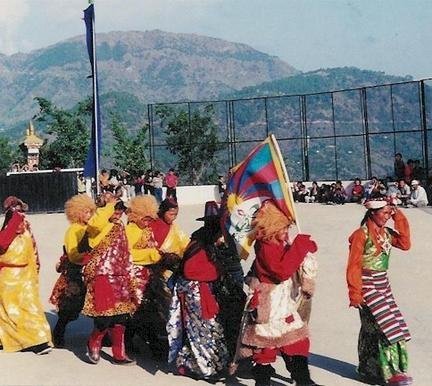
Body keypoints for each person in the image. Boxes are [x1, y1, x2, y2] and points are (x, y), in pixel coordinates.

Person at [237, 201, 319, 386]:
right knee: (266, 344)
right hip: (271, 302)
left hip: (283, 301)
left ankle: (303, 380)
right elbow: (281, 270)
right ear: (272, 227)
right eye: (283, 227)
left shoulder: (277, 242)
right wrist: (299, 247)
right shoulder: (266, 246)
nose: (286, 231)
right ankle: (264, 382)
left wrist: (303, 249)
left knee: (296, 340)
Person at [346, 196, 412, 385]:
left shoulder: (387, 233)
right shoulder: (361, 234)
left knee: (371, 328)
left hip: (383, 284)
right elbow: (354, 265)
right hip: (367, 285)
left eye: (388, 213)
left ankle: (369, 370)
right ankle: (392, 372)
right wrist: (355, 293)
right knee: (387, 326)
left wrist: (397, 215)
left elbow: (406, 244)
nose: (387, 216)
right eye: (384, 213)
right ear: (372, 213)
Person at [167, 201, 231, 380]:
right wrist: (216, 272)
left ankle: (196, 363)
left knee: (207, 330)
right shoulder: (201, 244)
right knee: (203, 330)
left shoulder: (204, 241)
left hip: (200, 291)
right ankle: (205, 369)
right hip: (195, 293)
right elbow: (190, 270)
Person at [82, 199, 137, 365]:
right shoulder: (98, 225)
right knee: (104, 315)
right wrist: (108, 207)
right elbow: (94, 224)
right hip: (102, 274)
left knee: (121, 316)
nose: (118, 212)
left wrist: (129, 272)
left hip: (120, 274)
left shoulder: (120, 226)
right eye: (115, 209)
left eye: (120, 210)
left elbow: (125, 251)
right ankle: (94, 342)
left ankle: (119, 353)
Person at [0, 196, 52, 354]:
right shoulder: (25, 225)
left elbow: (2, 243)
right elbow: (35, 253)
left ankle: (37, 341)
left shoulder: (15, 221)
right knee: (25, 307)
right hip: (26, 274)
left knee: (12, 308)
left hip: (13, 274)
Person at [140, 198, 189, 359]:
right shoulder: (153, 226)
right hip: (154, 271)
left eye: (176, 214)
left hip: (171, 271)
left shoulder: (174, 227)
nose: (173, 217)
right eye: (171, 213)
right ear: (163, 211)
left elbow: (184, 244)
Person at [50, 194, 96, 348]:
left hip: (91, 270)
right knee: (70, 306)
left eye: (90, 211)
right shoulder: (73, 230)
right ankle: (58, 333)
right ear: (77, 213)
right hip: (75, 272)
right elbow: (73, 255)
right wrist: (89, 255)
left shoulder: (90, 229)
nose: (89, 215)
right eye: (86, 212)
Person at [124, 195, 160, 353]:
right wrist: (152, 254)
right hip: (134, 275)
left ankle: (141, 340)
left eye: (150, 219)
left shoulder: (147, 230)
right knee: (138, 308)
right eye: (145, 218)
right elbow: (127, 254)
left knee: (146, 308)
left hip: (148, 274)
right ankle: (135, 341)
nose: (147, 221)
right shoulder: (129, 231)